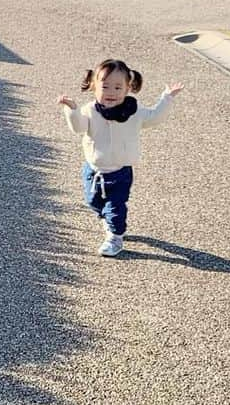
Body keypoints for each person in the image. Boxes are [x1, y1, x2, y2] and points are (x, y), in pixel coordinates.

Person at [57, 59, 183, 257]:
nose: (111, 92)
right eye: (105, 86)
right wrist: (71, 109)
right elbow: (78, 127)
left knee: (116, 205)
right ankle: (107, 218)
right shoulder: (90, 110)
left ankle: (115, 237)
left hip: (120, 171)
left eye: (118, 87)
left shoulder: (134, 111)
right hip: (93, 170)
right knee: (93, 201)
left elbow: (154, 116)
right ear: (93, 86)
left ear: (128, 88)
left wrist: (167, 98)